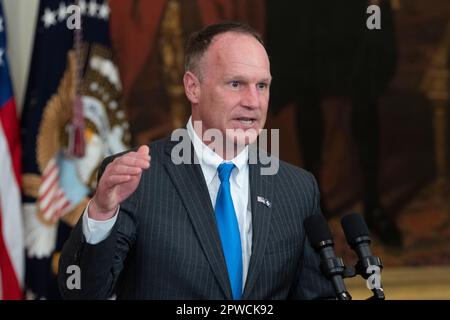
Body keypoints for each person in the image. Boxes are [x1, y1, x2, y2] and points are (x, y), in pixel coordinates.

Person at [57, 22, 334, 299]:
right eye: (236, 84)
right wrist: (102, 214)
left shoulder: (298, 189)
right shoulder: (136, 178)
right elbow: (82, 292)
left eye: (262, 85)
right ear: (193, 87)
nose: (253, 101)